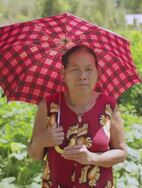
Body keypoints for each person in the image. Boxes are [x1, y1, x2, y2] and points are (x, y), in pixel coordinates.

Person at [27, 45, 127, 188]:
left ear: (97, 73)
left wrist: (92, 158)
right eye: (74, 69)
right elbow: (33, 154)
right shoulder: (48, 105)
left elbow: (122, 153)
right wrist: (41, 141)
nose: (82, 76)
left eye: (89, 69)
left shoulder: (109, 106)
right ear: (63, 73)